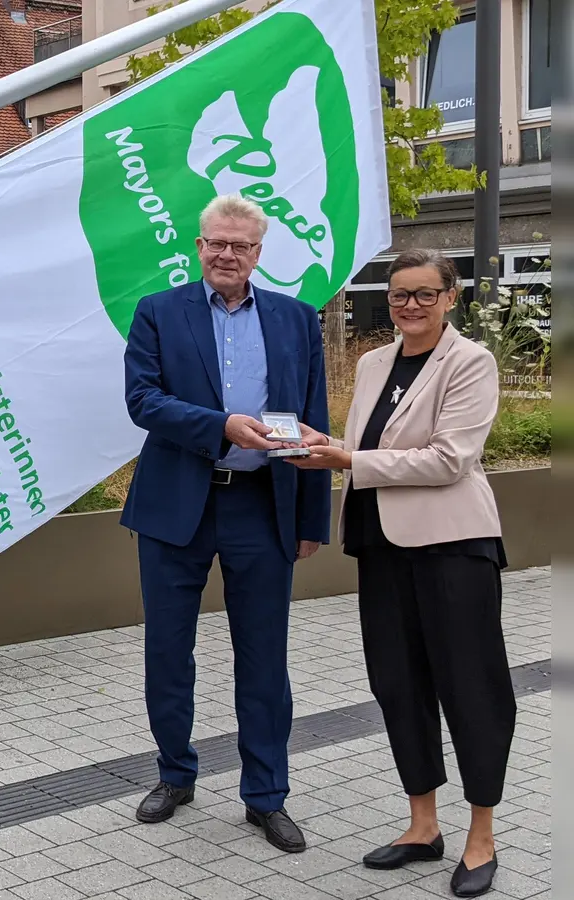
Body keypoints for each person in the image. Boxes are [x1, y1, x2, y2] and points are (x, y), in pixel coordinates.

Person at [286, 249, 513, 898]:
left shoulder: (471, 362)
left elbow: (449, 459)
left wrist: (344, 458)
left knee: (471, 689)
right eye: (397, 296)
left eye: (423, 294)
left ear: (450, 298)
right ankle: (422, 827)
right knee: (398, 685)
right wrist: (320, 444)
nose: (409, 306)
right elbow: (370, 446)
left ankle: (481, 836)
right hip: (383, 547)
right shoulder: (373, 363)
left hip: (453, 547)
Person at [119, 193, 330, 854]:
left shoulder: (297, 319)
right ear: (199, 244)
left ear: (259, 253)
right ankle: (175, 775)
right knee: (167, 652)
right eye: (216, 242)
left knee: (265, 658)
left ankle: (266, 795)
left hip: (263, 506)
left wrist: (313, 516)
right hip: (176, 505)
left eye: (240, 245)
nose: (226, 254)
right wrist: (219, 427)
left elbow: (313, 417)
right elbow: (143, 400)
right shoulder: (158, 312)